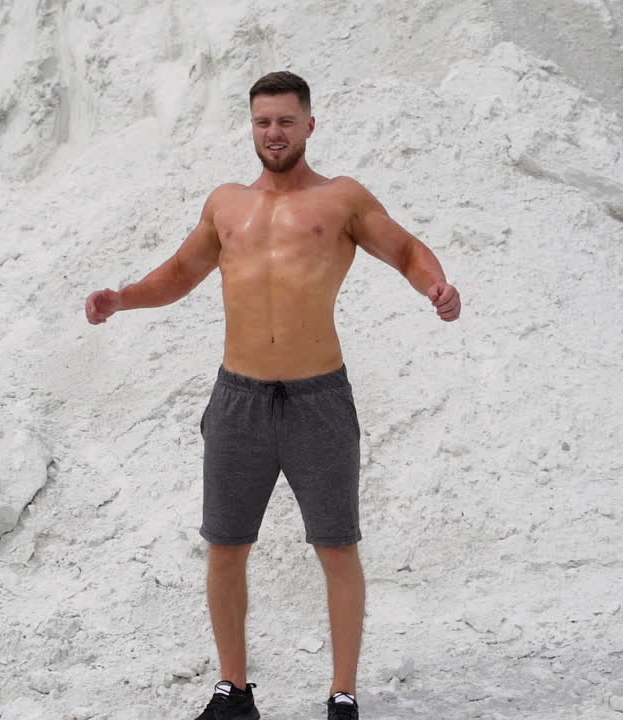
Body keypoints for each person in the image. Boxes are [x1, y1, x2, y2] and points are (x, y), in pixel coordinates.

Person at [84, 71, 460, 720]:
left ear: (310, 125)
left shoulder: (342, 199)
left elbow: (404, 249)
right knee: (226, 546)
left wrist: (436, 287)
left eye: (286, 121)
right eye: (263, 122)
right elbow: (180, 273)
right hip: (239, 400)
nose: (274, 133)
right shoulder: (226, 204)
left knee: (337, 547)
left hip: (319, 399)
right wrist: (123, 299)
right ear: (251, 127)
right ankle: (234, 691)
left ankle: (342, 696)